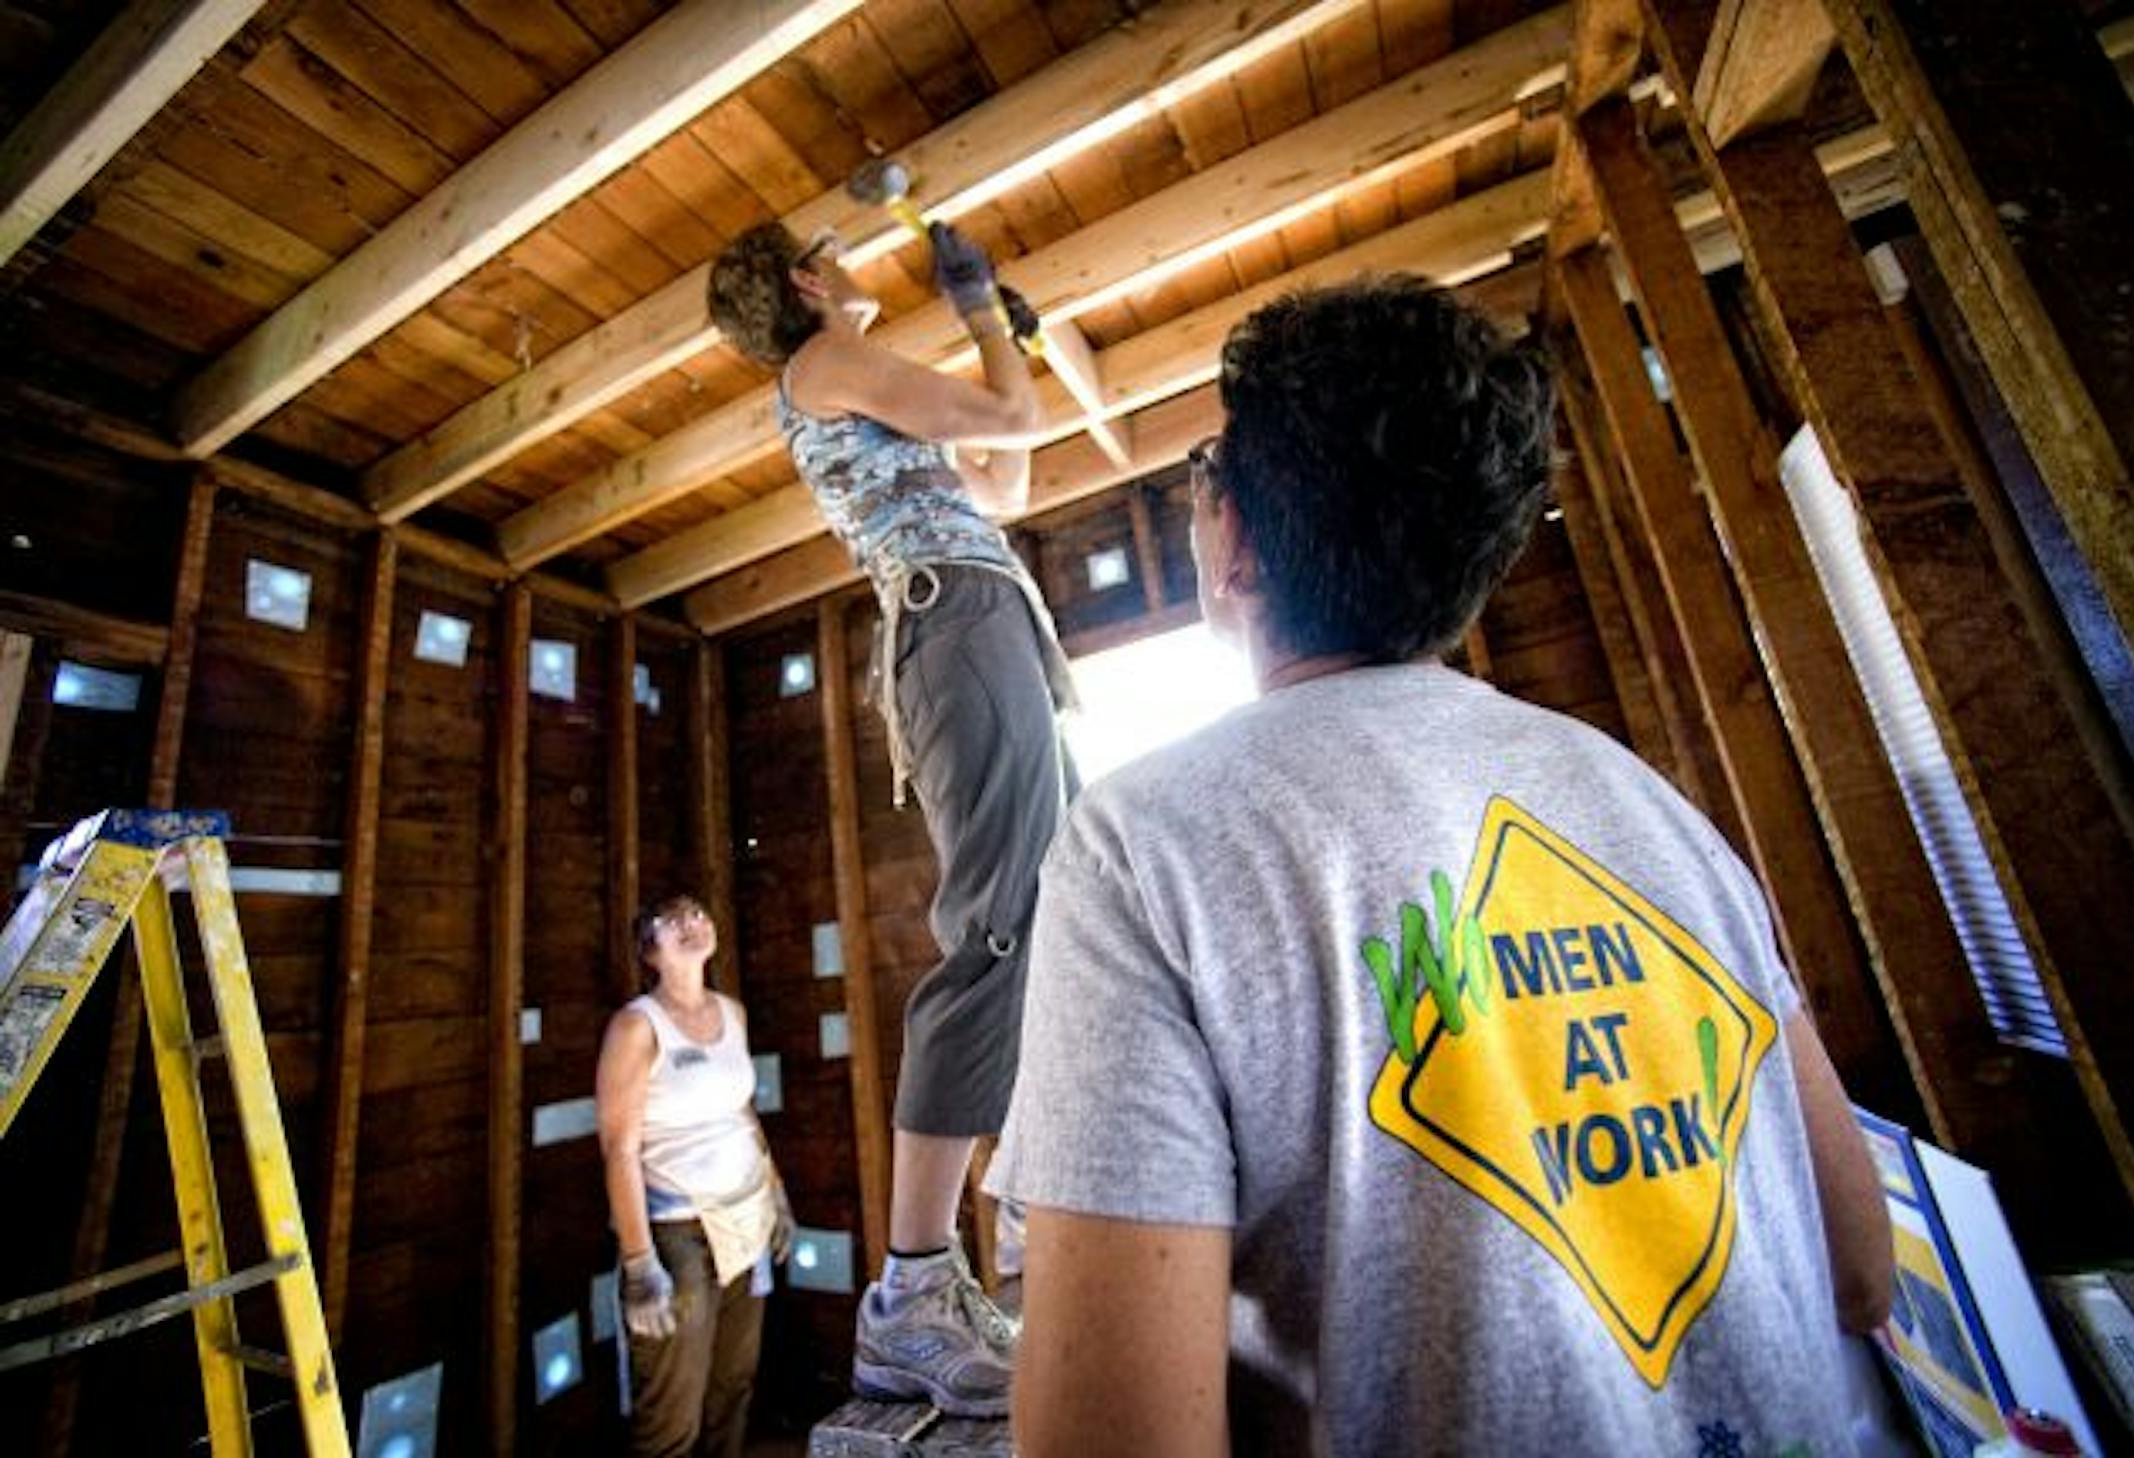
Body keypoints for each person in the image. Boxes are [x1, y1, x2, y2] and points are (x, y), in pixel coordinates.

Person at [989, 276, 1895, 1456]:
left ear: (1237, 547)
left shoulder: (1140, 844)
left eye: (1209, 475)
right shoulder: (1653, 810)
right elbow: (1862, 1275)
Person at [704, 219, 1073, 1416]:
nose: (851, 259)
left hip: (985, 611)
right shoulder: (819, 365)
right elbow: (1012, 422)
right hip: (956, 618)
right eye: (830, 249)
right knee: (1001, 927)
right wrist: (982, 321)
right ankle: (914, 1293)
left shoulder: (859, 390)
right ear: (809, 286)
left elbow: (1007, 479)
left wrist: (994, 337)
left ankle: (1009, 1216)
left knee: (1052, 909)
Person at [597, 894, 794, 1458]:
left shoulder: (732, 1014)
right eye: (673, 919)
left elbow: (743, 1113)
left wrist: (776, 1197)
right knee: (672, 1408)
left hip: (745, 1222)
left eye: (700, 913)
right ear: (649, 950)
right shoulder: (637, 1027)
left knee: (733, 1385)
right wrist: (639, 1263)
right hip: (679, 1235)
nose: (693, 923)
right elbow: (620, 1148)